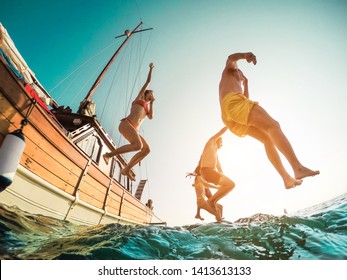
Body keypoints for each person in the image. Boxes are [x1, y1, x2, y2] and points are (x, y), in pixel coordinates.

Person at [219, 52, 319, 189]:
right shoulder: (231, 69)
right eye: (240, 75)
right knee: (273, 126)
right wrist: (245, 55)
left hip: (230, 117)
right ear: (238, 70)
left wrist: (246, 83)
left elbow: (245, 101)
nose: (241, 78)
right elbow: (231, 58)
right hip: (232, 104)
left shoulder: (235, 85)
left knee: (267, 139)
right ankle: (298, 168)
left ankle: (287, 179)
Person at [103, 63, 155, 181]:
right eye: (151, 93)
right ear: (146, 94)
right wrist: (151, 69)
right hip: (126, 124)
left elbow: (151, 117)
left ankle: (126, 169)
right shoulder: (140, 98)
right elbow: (147, 82)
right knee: (138, 145)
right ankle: (108, 155)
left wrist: (152, 103)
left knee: (146, 150)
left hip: (133, 129)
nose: (152, 95)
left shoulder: (147, 108)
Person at [199, 127, 235, 211]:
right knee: (231, 184)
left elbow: (220, 170)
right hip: (207, 171)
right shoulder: (211, 142)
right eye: (221, 142)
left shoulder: (216, 155)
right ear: (217, 140)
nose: (222, 145)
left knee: (229, 185)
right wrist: (229, 125)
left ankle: (212, 201)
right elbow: (221, 131)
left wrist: (222, 183)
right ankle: (211, 201)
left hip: (210, 172)